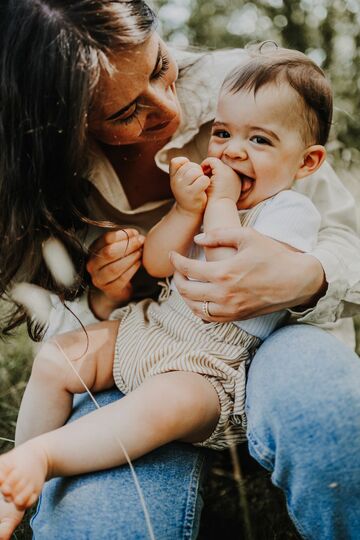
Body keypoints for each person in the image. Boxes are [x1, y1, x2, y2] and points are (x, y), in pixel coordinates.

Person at [0, 1, 359, 539]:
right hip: (149, 328)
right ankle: (16, 475)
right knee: (58, 362)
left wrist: (307, 274)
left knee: (172, 405)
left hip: (213, 368)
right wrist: (172, 224)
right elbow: (160, 262)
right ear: (60, 125)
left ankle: (47, 456)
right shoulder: (35, 176)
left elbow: (229, 271)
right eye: (125, 113)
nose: (167, 109)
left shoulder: (262, 114)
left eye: (160, 66)